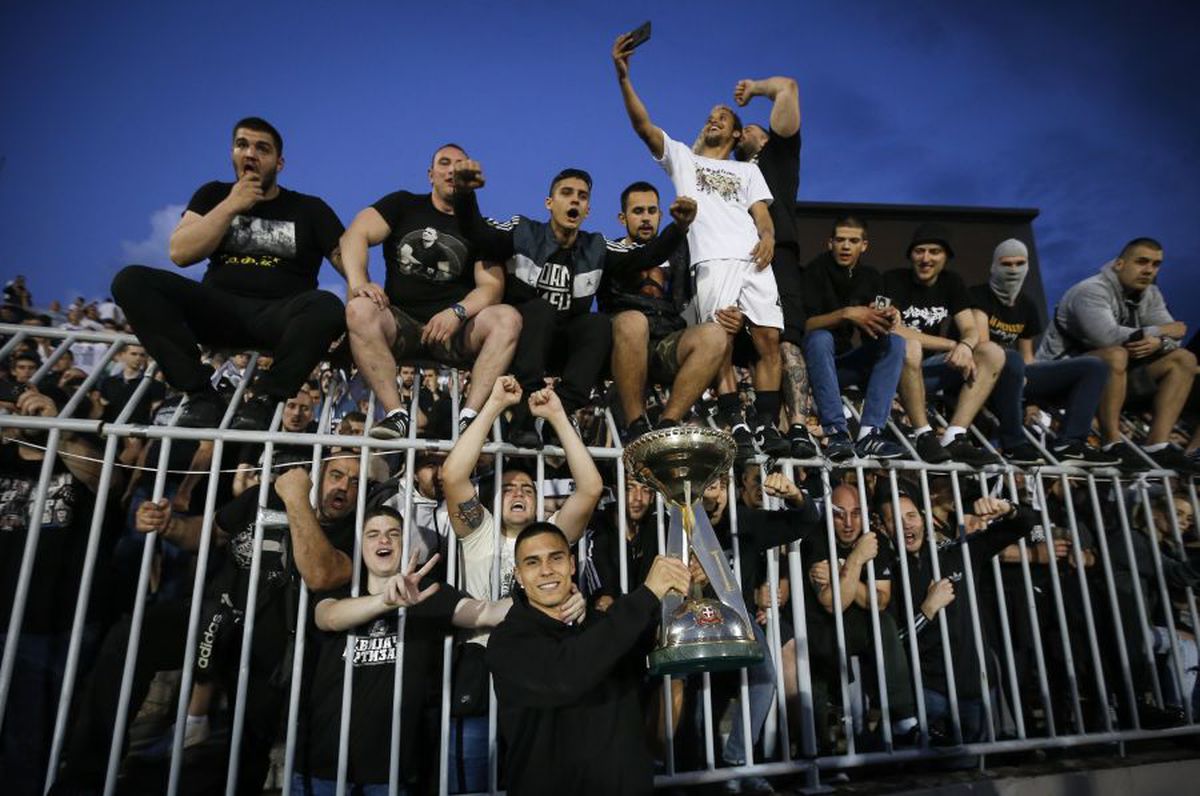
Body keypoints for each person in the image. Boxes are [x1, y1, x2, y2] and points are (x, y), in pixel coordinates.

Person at [57, 453, 366, 795]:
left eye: (355, 482)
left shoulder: (353, 528)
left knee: (245, 751)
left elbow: (323, 575)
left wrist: (296, 499)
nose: (343, 487)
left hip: (274, 647)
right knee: (130, 638)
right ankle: (85, 778)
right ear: (318, 475)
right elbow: (210, 533)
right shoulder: (264, 496)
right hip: (214, 617)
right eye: (336, 475)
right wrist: (169, 525)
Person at [292, 507, 586, 794]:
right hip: (321, 765)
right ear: (360, 545)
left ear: (405, 544)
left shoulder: (428, 592)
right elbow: (328, 618)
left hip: (392, 771)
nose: (384, 540)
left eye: (393, 534)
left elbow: (487, 612)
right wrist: (385, 601)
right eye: (373, 534)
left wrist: (553, 596)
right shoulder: (341, 589)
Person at [613, 33, 787, 460]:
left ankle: (767, 424)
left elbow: (761, 213)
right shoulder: (683, 160)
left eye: (722, 117)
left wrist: (768, 237)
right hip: (712, 260)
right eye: (709, 116)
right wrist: (624, 78)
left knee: (769, 338)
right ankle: (735, 420)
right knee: (721, 335)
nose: (713, 120)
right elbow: (643, 126)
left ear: (736, 133)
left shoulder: (748, 171)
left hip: (755, 258)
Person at [111, 117, 348, 431]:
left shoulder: (310, 209)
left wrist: (362, 290)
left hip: (279, 316)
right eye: (242, 145)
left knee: (327, 305)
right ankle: (200, 394)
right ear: (233, 153)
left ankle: (265, 399)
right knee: (131, 281)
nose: (250, 153)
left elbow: (347, 259)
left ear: (279, 163)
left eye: (262, 148)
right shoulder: (213, 195)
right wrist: (231, 205)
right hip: (217, 310)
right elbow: (181, 253)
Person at [451, 162, 690, 447]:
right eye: (566, 193)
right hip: (521, 345)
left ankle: (559, 411)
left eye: (582, 196)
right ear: (549, 203)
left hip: (564, 349)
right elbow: (477, 232)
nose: (575, 200)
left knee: (598, 323)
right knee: (541, 309)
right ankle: (525, 414)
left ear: (587, 210)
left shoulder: (597, 247)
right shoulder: (523, 231)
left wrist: (679, 227)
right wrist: (464, 194)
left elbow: (646, 255)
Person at [486, 522, 691, 796]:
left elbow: (662, 648)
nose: (546, 570)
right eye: (532, 562)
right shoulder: (507, 641)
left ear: (572, 564)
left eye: (556, 558)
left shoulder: (607, 626)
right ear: (519, 576)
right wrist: (646, 594)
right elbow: (566, 675)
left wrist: (689, 589)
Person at [340, 144, 523, 440]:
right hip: (399, 323)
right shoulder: (403, 204)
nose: (452, 170)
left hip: (455, 331)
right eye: (444, 163)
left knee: (507, 318)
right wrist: (360, 282)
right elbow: (355, 234)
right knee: (359, 309)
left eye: (459, 165)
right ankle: (395, 414)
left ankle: (469, 418)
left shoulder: (478, 227)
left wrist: (457, 312)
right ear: (430, 174)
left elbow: (491, 288)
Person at [1, 387, 121, 795]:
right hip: (4, 610)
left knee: (31, 734)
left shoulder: (79, 457)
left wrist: (61, 430)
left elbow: (110, 483)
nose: (28, 411)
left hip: (58, 621)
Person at [879, 489, 1034, 741]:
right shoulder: (887, 575)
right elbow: (894, 643)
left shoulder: (956, 552)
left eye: (911, 515)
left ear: (923, 518)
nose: (906, 524)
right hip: (929, 691)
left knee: (972, 760)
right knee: (925, 761)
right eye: (894, 519)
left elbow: (1025, 523)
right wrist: (927, 610)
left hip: (976, 687)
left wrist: (1007, 508)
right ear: (884, 528)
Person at [1037, 237, 1197, 472]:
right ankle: (1112, 442)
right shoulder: (1090, 290)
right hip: (1059, 377)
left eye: (1155, 264)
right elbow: (1108, 337)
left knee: (1184, 359)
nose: (1149, 270)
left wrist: (1159, 342)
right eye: (1142, 262)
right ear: (1119, 264)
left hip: (1112, 378)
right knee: (1115, 354)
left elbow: (1176, 338)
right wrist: (1160, 332)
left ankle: (1157, 445)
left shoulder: (1151, 294)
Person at [442, 377, 603, 603]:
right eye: (508, 489)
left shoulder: (551, 533)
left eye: (527, 489)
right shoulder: (479, 531)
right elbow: (452, 476)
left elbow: (590, 488)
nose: (519, 493)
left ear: (537, 502)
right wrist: (494, 404)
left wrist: (557, 416)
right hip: (482, 628)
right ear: (493, 499)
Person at [885, 224, 1032, 466]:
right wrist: (952, 344)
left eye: (934, 252)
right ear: (910, 255)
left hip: (927, 372)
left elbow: (970, 330)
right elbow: (894, 329)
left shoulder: (951, 282)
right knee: (909, 346)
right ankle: (924, 436)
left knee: (992, 352)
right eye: (919, 251)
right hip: (898, 371)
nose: (926, 258)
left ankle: (954, 436)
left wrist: (965, 345)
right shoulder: (893, 279)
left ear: (946, 257)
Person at [970, 240, 1118, 467]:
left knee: (1093, 366)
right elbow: (983, 346)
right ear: (994, 266)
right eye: (1006, 264)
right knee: (1010, 359)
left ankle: (1070, 443)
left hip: (1015, 374)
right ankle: (1013, 443)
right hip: (981, 372)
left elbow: (1028, 356)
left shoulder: (1027, 305)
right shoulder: (978, 295)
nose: (1013, 270)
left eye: (1019, 264)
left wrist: (1032, 398)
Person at [601, 181, 727, 440]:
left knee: (714, 334)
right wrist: (679, 228)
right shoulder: (610, 251)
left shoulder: (682, 254)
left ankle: (667, 423)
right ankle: (636, 425)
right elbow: (650, 254)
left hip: (666, 342)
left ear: (660, 214)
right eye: (638, 211)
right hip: (623, 344)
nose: (646, 218)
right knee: (634, 321)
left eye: (652, 211)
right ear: (622, 218)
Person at [733, 75, 818, 459]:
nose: (743, 132)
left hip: (778, 254)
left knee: (786, 340)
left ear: (766, 138)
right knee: (742, 342)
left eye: (750, 128)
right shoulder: (730, 173)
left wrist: (754, 89)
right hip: (737, 263)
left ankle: (798, 426)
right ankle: (759, 423)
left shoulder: (776, 156)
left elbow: (788, 88)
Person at [804, 483, 920, 748]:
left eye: (856, 513)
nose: (848, 523)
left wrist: (841, 571)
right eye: (839, 514)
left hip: (862, 627)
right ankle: (821, 747)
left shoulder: (873, 539)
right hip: (822, 630)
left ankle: (903, 717)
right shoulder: (817, 538)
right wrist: (856, 559)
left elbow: (880, 600)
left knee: (884, 622)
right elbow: (832, 603)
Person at [800, 216, 906, 461]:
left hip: (844, 365)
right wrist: (847, 314)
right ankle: (836, 432)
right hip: (812, 366)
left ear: (864, 245)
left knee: (896, 342)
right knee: (820, 338)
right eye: (840, 240)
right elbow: (803, 326)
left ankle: (870, 434)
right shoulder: (813, 271)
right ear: (830, 243)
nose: (846, 246)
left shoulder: (871, 276)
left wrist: (889, 316)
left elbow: (879, 320)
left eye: (853, 241)